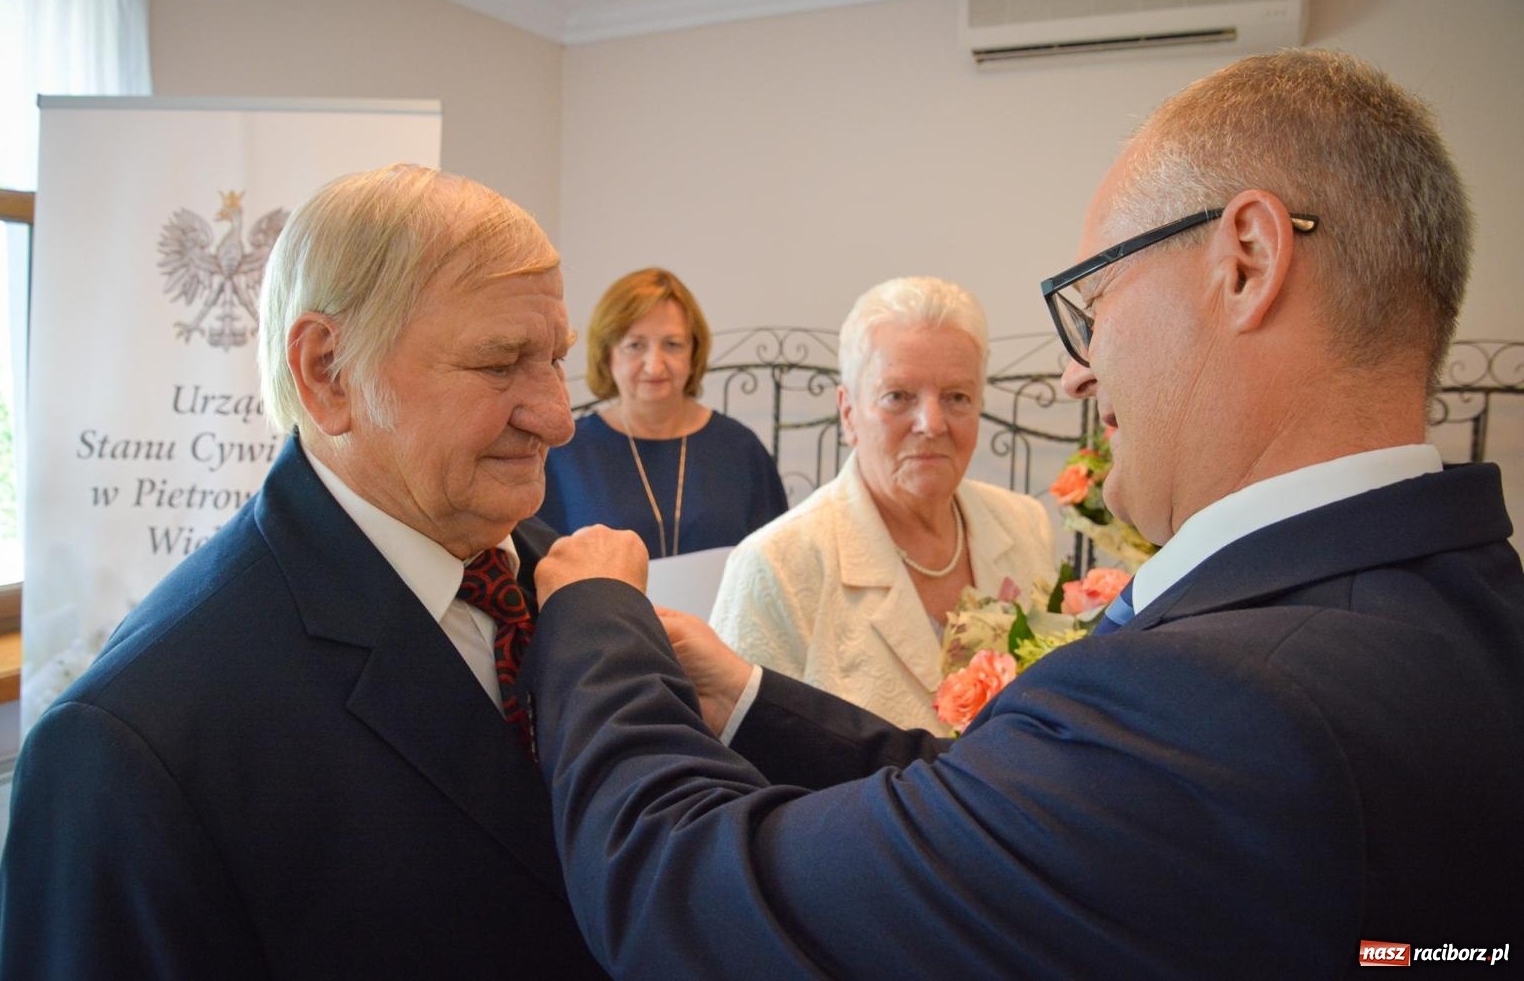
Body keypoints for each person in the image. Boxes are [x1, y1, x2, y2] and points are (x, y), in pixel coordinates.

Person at [519, 49, 1524, 978]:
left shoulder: (1216, 697)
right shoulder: (1467, 604)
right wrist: (746, 696)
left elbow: (687, 893)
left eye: (1095, 300)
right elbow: (1009, 801)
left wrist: (601, 624)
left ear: (1247, 260)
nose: (1075, 373)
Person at [0, 165, 607, 979]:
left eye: (555, 358)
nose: (559, 418)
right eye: (500, 363)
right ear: (328, 371)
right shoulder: (132, 741)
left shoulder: (569, 583)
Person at [709, 277, 1055, 730]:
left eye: (957, 397)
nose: (932, 423)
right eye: (898, 396)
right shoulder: (777, 565)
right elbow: (734, 756)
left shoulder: (1024, 524)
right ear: (848, 412)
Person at [537, 267, 787, 559]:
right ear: (607, 355)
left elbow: (776, 562)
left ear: (693, 352)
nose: (655, 366)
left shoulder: (741, 449)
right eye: (635, 345)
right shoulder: (567, 453)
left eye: (672, 344)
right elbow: (539, 563)